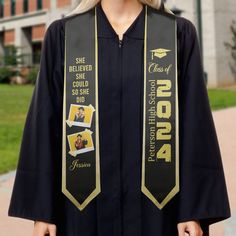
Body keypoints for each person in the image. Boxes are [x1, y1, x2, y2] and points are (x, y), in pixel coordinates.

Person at [8, 0, 230, 236]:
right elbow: (45, 125)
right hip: (81, 210)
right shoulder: (65, 35)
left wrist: (191, 211)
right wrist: (44, 212)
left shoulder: (175, 34)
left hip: (159, 210)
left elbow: (195, 125)